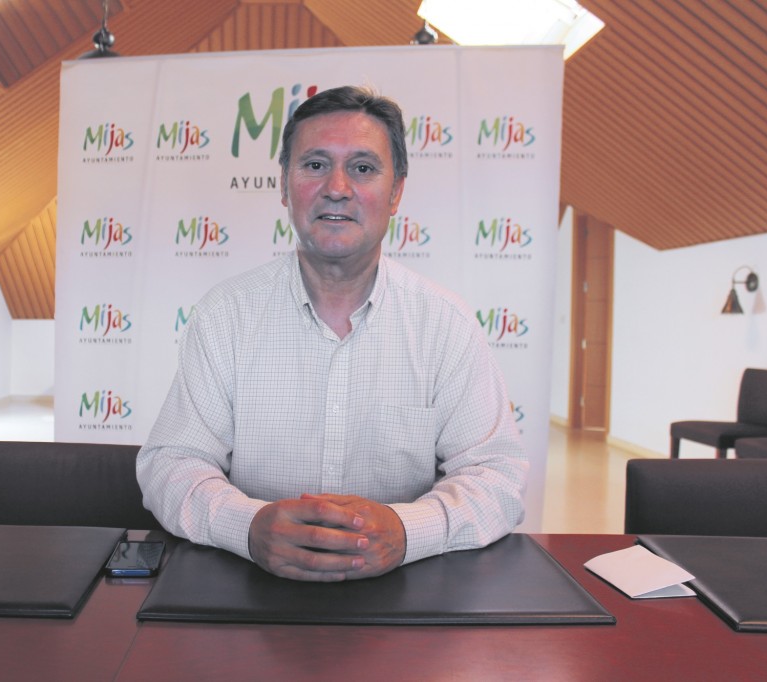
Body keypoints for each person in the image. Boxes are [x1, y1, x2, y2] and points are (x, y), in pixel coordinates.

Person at [137, 85, 528, 582]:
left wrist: (408, 532)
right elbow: (172, 464)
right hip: (249, 589)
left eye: (363, 168)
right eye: (315, 165)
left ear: (396, 192)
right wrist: (248, 527)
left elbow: (497, 476)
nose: (337, 187)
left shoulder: (445, 324)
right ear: (284, 185)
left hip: (407, 594)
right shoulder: (225, 316)